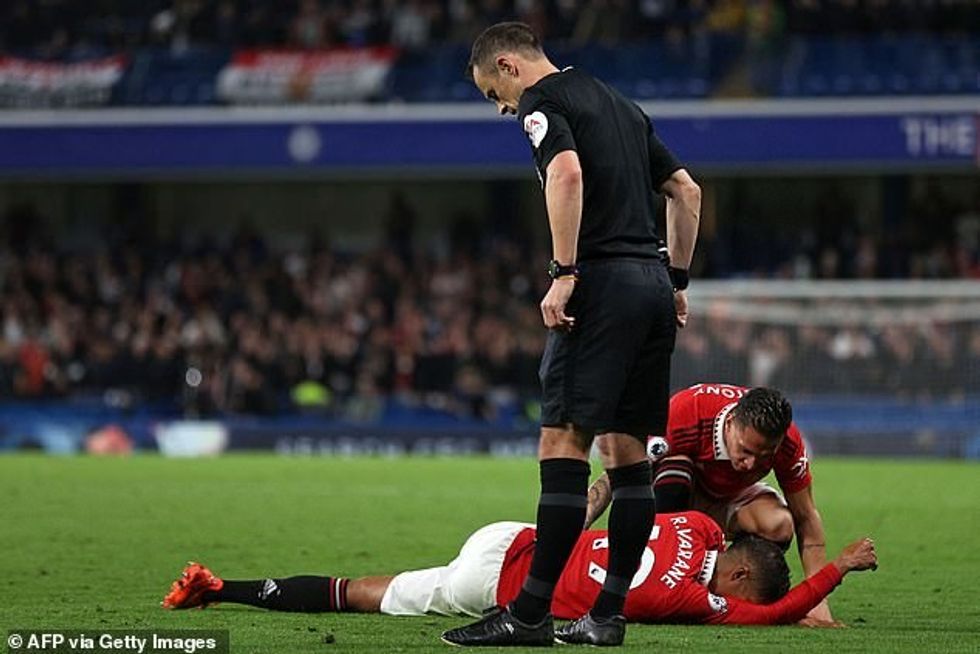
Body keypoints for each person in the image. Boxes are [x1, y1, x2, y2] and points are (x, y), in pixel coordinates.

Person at [450, 21, 701, 646]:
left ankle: (530, 613)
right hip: (650, 285)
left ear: (508, 66)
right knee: (626, 457)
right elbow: (686, 191)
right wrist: (676, 279)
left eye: (493, 94)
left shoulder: (543, 102)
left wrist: (564, 272)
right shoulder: (621, 103)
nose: (502, 108)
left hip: (602, 286)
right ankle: (606, 616)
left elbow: (565, 175)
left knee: (563, 440)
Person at [162, 511, 878, 628]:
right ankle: (226, 589)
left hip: (514, 534)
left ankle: (226, 586)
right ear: (741, 578)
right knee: (363, 597)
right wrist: (835, 568)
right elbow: (774, 615)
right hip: (501, 588)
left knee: (372, 590)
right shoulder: (685, 600)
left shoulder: (692, 523)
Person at [584, 383, 837, 625]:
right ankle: (664, 572)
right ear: (729, 424)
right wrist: (576, 527)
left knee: (779, 524)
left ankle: (727, 586)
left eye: (764, 457)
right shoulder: (687, 413)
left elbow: (806, 518)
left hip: (725, 502)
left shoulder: (788, 444)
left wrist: (818, 603)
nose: (750, 464)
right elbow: (616, 476)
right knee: (676, 468)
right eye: (745, 451)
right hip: (678, 497)